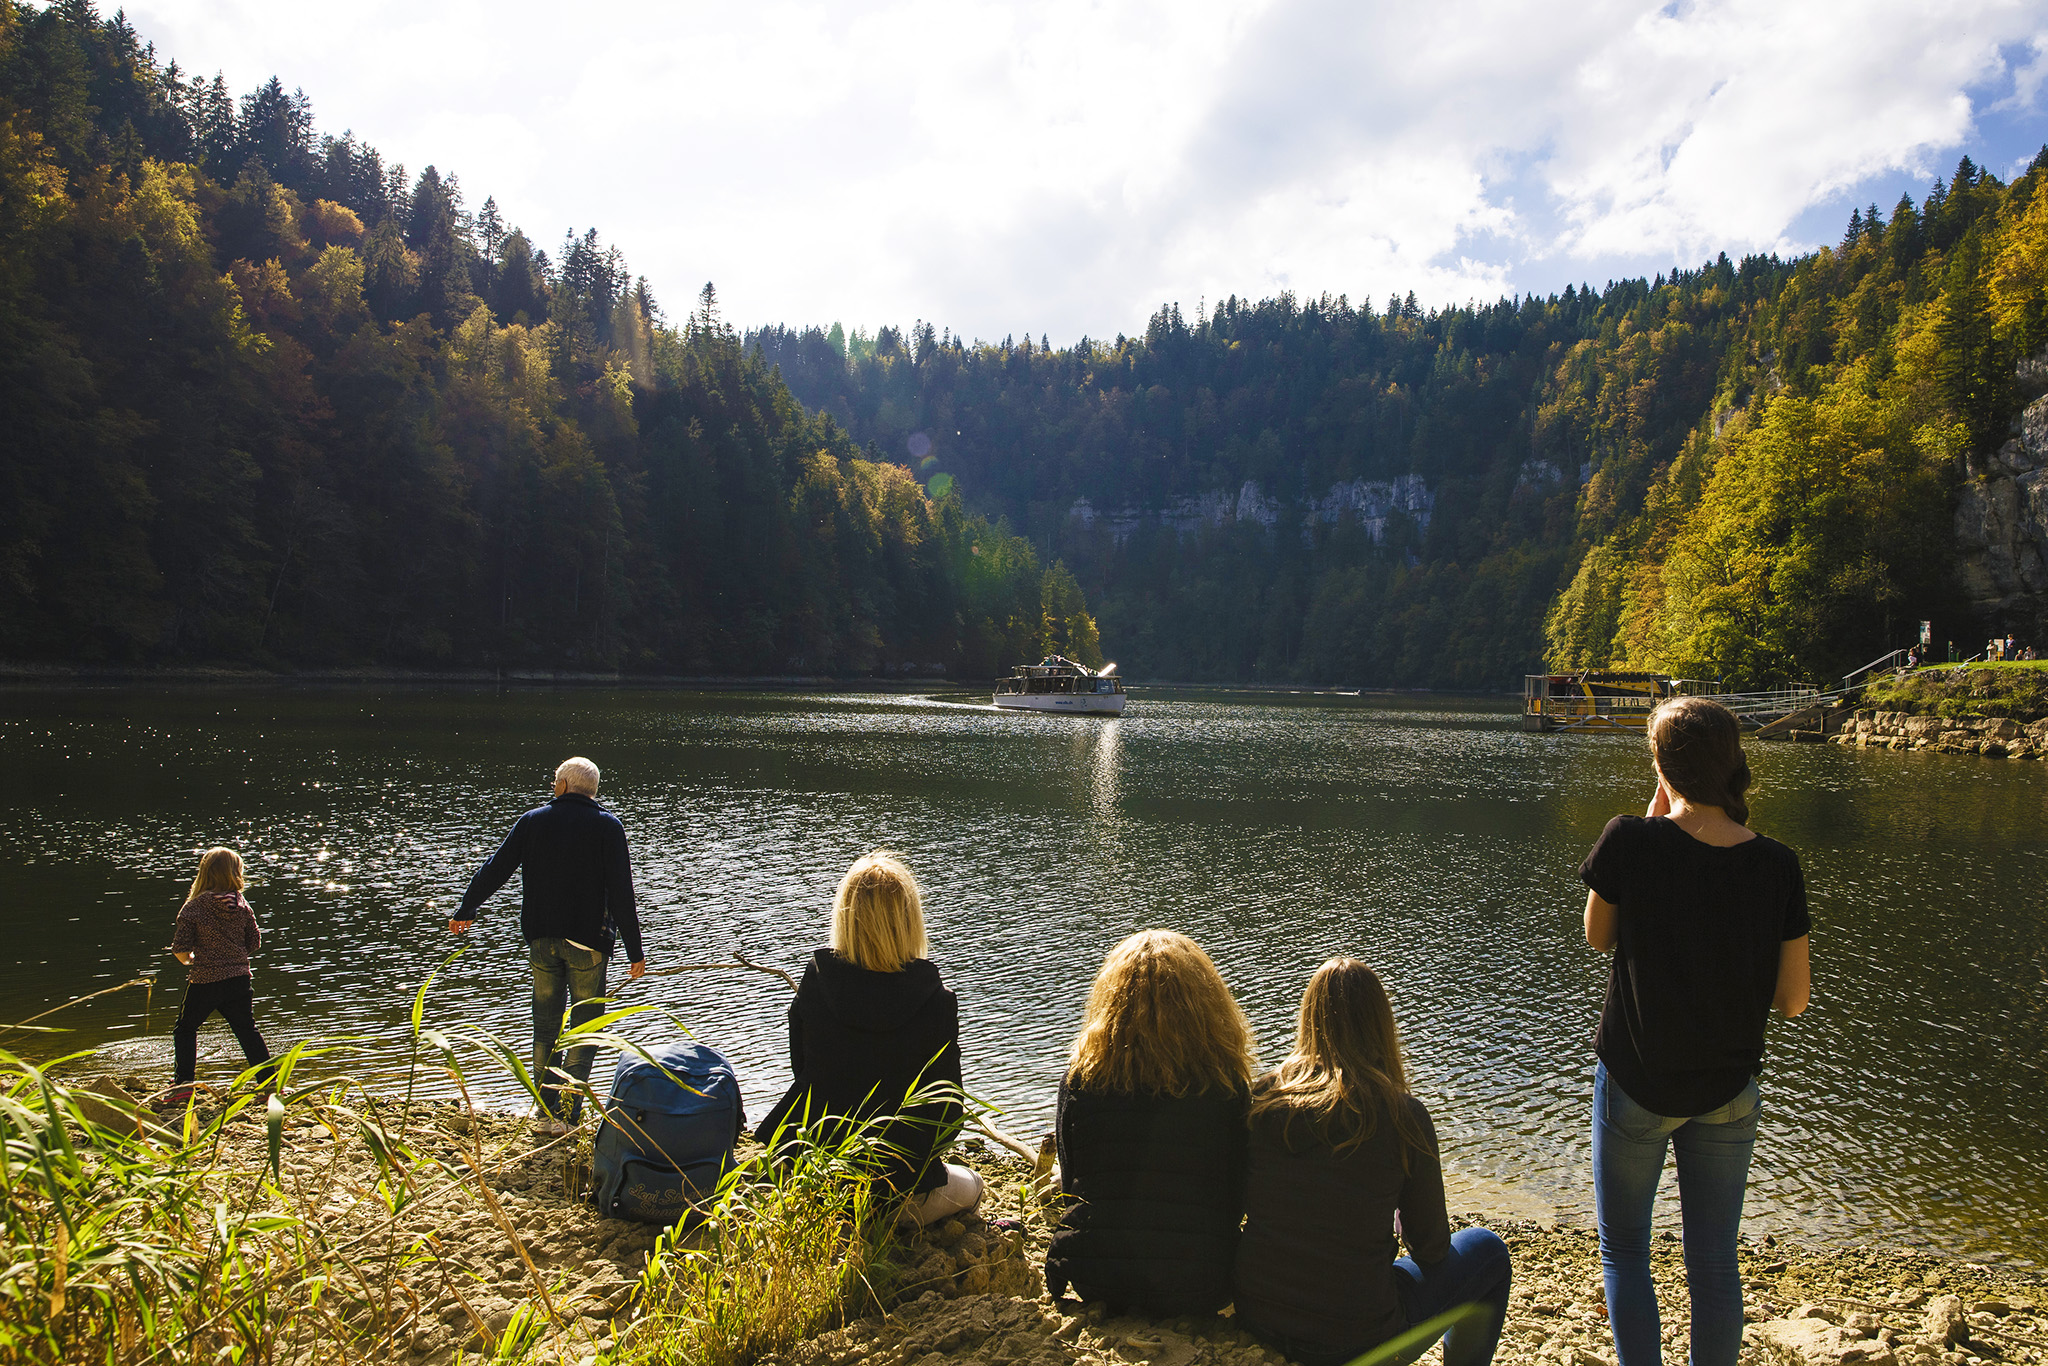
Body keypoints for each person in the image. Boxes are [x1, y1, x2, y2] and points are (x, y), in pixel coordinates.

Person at [1580, 697, 1811, 1366]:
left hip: (1635, 1085)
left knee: (1625, 1251)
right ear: (1731, 764)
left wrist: (1656, 815)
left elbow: (1598, 937)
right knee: (1713, 1262)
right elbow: (1793, 1001)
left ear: (1661, 765)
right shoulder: (1776, 864)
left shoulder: (1629, 839)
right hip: (1727, 1093)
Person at [1234, 958, 1511, 1366]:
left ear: (1308, 1022)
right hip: (1357, 1337)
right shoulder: (1402, 1115)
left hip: (1260, 1317)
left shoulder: (1262, 1101)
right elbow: (1433, 1248)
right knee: (1489, 1252)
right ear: (1383, 1026)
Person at [755, 850, 981, 1226]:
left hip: (822, 1183)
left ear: (845, 917)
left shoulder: (814, 989)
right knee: (973, 1186)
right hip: (902, 1192)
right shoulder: (936, 1003)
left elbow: (804, 1078)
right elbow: (947, 1115)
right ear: (910, 920)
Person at [1045, 929, 1253, 1316]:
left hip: (1096, 1276)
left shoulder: (1080, 1080)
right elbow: (1237, 1192)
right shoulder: (1225, 1085)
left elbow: (1073, 1176)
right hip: (1202, 1282)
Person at [451, 756, 646, 1132]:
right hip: (588, 944)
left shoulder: (533, 821)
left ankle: (545, 1111)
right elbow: (623, 892)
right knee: (585, 1026)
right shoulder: (608, 827)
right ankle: (569, 1113)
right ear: (592, 790)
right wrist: (634, 951)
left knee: (545, 1025)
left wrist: (467, 908)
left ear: (561, 786)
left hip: (541, 938)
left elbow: (496, 868)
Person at [168, 846, 273, 1100]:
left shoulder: (194, 907)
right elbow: (254, 943)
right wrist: (235, 956)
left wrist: (190, 959)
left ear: (205, 873)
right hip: (239, 979)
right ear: (235, 874)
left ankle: (183, 1086)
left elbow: (180, 949)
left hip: (206, 980)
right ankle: (269, 1085)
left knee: (185, 1029)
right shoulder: (241, 905)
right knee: (247, 1030)